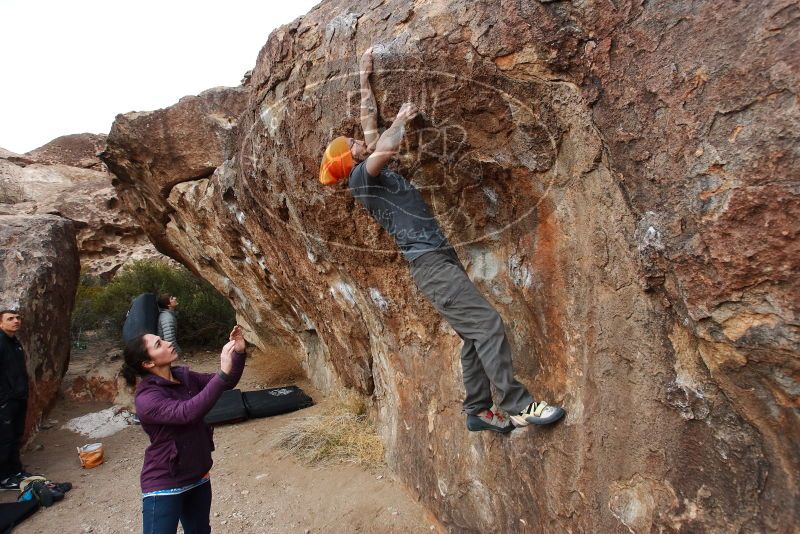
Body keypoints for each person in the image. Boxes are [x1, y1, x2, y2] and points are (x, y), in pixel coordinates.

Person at [318, 48, 565, 433]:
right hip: (431, 264)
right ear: (349, 161)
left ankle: (479, 411)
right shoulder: (361, 178)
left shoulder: (370, 174)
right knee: (487, 325)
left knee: (472, 336)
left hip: (436, 262)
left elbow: (371, 124)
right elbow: (384, 144)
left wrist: (363, 77)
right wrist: (401, 118)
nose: (355, 139)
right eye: (349, 144)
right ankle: (518, 404)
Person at [122, 325, 246, 533]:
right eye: (158, 344)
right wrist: (222, 375)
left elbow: (227, 382)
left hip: (197, 475)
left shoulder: (183, 376)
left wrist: (240, 352)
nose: (168, 342)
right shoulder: (147, 398)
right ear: (148, 362)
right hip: (164, 484)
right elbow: (186, 412)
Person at [0, 310, 32, 489]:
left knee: (16, 435)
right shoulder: (1, 343)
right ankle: (4, 478)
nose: (16, 321)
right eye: (10, 319)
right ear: (1, 323)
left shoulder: (14, 342)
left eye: (18, 318)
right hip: (5, 401)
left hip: (19, 397)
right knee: (5, 438)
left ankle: (16, 471)